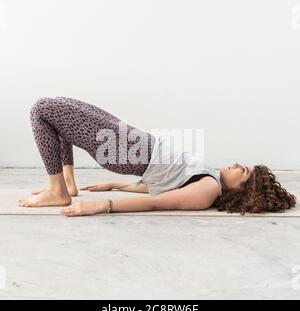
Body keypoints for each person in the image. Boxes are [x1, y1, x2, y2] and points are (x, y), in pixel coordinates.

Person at [18, 96, 296, 217]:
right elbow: (163, 181)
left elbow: (157, 202)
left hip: (127, 150)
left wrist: (103, 205)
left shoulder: (209, 188)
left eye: (243, 171)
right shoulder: (208, 176)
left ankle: (58, 191)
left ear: (240, 190)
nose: (237, 165)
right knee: (61, 107)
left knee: (44, 109)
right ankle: (66, 183)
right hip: (133, 141)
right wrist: (114, 185)